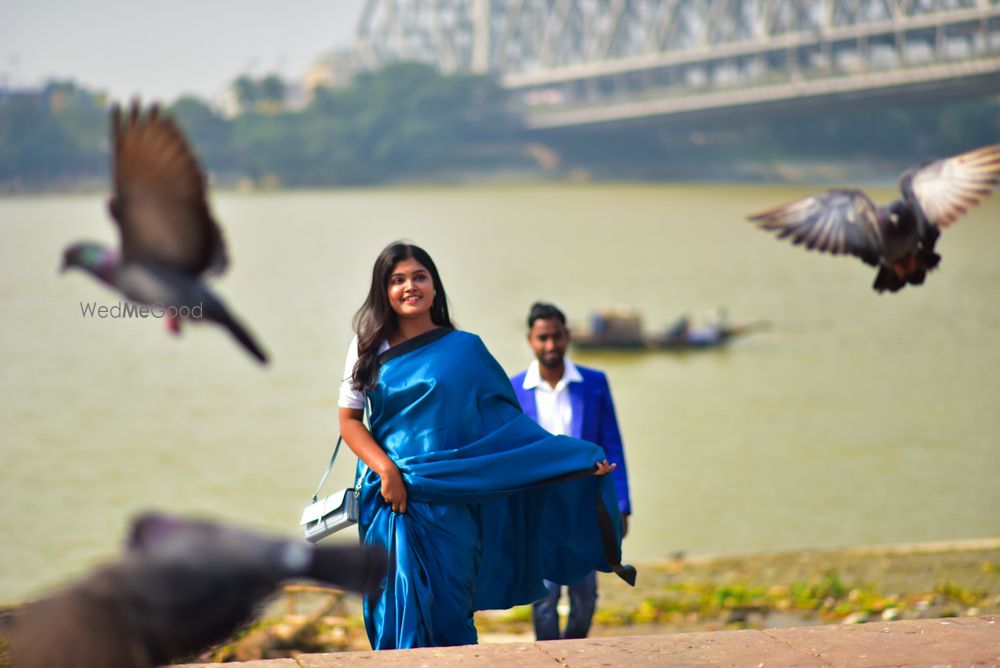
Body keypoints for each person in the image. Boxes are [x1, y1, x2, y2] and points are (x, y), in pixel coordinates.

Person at [337, 242, 635, 650]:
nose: (410, 286)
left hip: (452, 503)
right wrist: (387, 471)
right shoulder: (366, 346)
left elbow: (509, 429)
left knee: (451, 609)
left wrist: (577, 462)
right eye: (397, 280)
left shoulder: (466, 350)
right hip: (390, 501)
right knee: (392, 610)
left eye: (419, 277)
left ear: (435, 286)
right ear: (383, 290)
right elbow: (350, 422)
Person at [511, 302, 633, 641]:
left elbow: (613, 443)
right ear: (530, 340)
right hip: (540, 508)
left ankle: (576, 651)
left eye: (557, 336)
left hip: (585, 507)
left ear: (567, 336)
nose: (551, 345)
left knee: (585, 595)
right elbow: (510, 454)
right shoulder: (515, 389)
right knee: (544, 595)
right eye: (543, 338)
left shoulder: (593, 383)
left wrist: (621, 505)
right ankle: (549, 657)